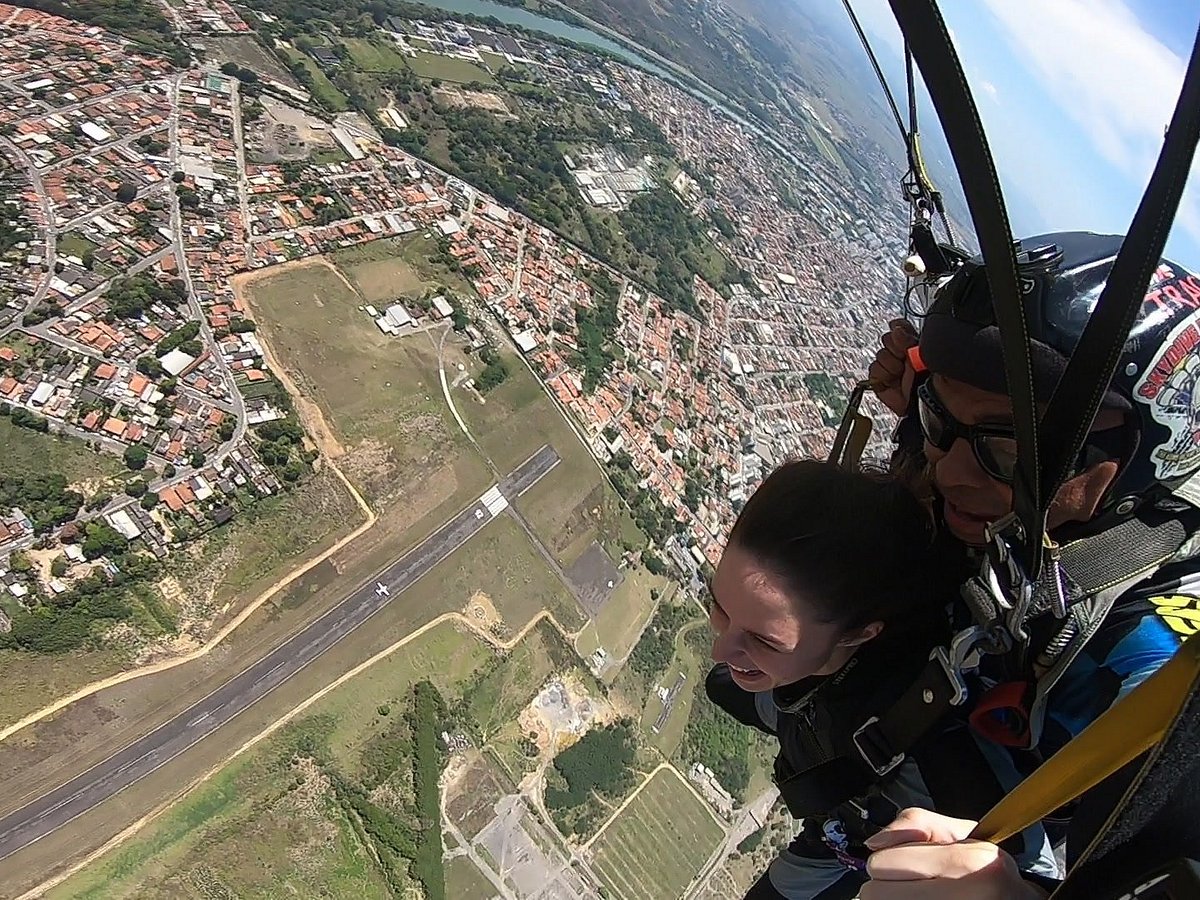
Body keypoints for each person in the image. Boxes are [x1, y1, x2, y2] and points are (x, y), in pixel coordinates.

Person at [855, 232, 1200, 897]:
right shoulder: (1011, 501)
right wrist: (917, 425)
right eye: (941, 420)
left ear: (1132, 459)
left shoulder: (1153, 660)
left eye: (1009, 452)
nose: (951, 470)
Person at [706, 458, 982, 899]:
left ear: (858, 634)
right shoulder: (821, 650)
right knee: (723, 683)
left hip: (851, 835)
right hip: (816, 710)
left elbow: (1015, 863)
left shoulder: (930, 751)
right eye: (719, 606)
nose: (722, 647)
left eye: (764, 640)